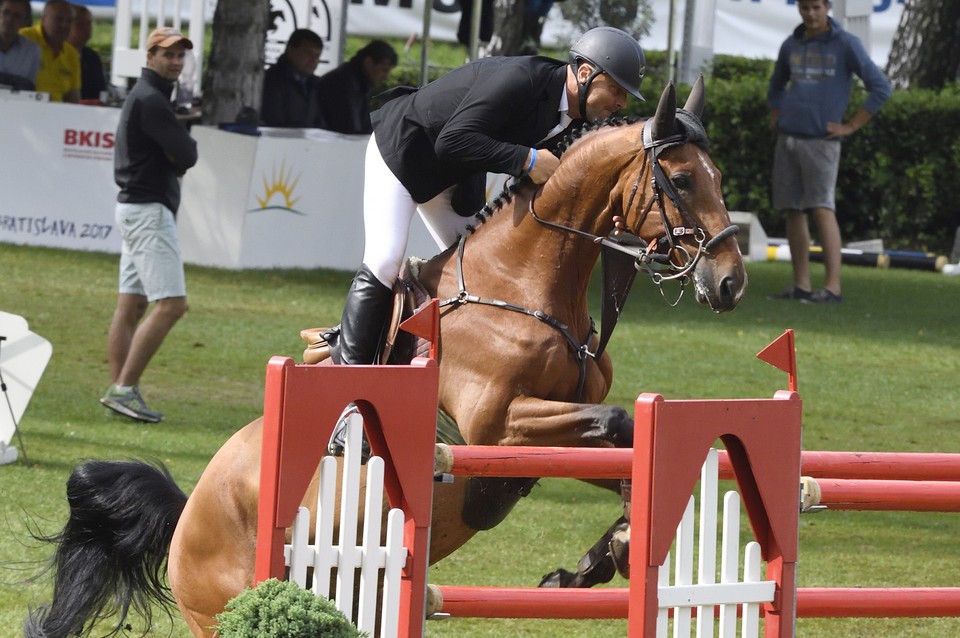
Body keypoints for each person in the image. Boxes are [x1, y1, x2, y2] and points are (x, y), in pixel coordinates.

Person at [322, 26, 647, 365]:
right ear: (584, 72)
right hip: (403, 155)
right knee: (385, 259)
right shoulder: (522, 79)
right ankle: (348, 368)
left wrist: (612, 218)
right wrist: (527, 159)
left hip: (455, 178)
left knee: (482, 274)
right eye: (616, 89)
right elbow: (451, 140)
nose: (621, 102)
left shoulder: (578, 121)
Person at [100, 27, 198, 423]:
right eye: (167, 54)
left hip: (134, 208)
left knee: (132, 305)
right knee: (172, 304)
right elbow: (187, 154)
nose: (175, 61)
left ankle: (119, 391)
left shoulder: (146, 96)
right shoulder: (152, 100)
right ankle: (124, 389)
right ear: (150, 56)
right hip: (148, 212)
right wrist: (178, 152)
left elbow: (178, 153)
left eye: (180, 55)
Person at [767, 0, 890, 304]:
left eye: (816, 8)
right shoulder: (791, 44)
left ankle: (833, 288)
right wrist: (776, 111)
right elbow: (777, 84)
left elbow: (880, 87)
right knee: (793, 210)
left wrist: (851, 126)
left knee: (822, 207)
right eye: (805, 7)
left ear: (827, 8)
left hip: (822, 141)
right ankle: (802, 285)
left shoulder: (846, 44)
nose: (811, 14)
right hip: (788, 138)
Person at [316, 39, 397, 135]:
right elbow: (349, 129)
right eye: (384, 70)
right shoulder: (343, 83)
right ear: (368, 63)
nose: (386, 77)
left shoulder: (358, 82)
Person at [260, 28, 325, 128]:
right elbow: (273, 121)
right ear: (290, 50)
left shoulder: (317, 85)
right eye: (308, 53)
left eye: (317, 55)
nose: (313, 60)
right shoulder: (272, 81)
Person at [19, 0, 80, 102]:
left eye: (69, 21)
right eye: (58, 19)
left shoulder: (71, 54)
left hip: (58, 110)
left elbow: (73, 98)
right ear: (43, 19)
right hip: (24, 106)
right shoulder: (24, 39)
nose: (64, 25)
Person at [67, 3, 106, 102]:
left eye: (89, 24)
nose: (86, 29)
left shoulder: (92, 57)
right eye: (80, 24)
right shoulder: (59, 54)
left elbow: (101, 91)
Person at [0, 0, 38, 89]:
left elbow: (28, 89)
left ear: (25, 22)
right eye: (6, 12)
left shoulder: (32, 50)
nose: (9, 19)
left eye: (16, 15)